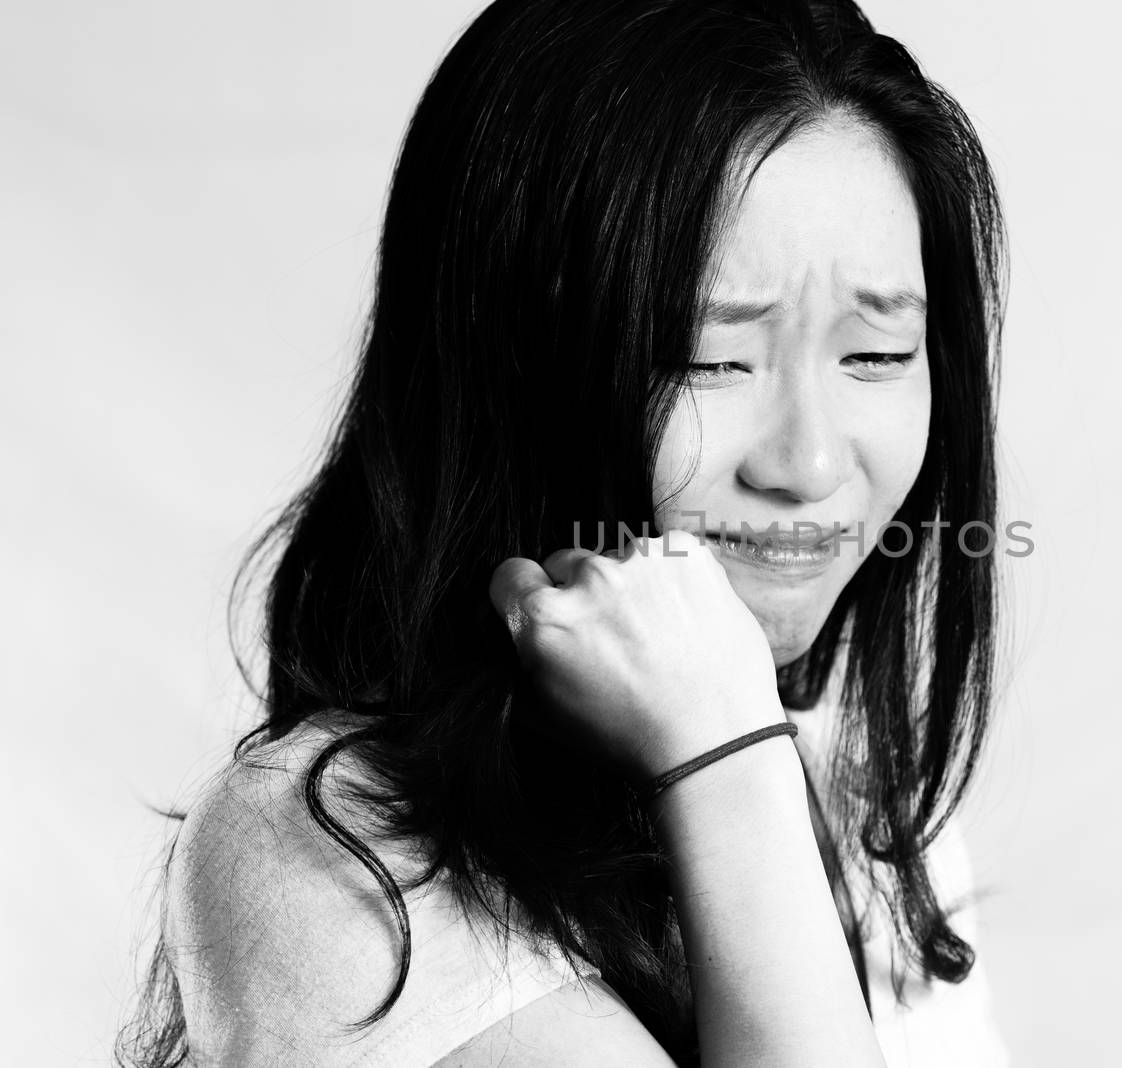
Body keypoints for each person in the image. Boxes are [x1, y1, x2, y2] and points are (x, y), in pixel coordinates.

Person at [119, 1, 1009, 1064]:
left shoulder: (847, 781)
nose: (810, 464)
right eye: (707, 359)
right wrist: (722, 762)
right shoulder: (329, 853)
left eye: (876, 356)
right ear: (514, 366)